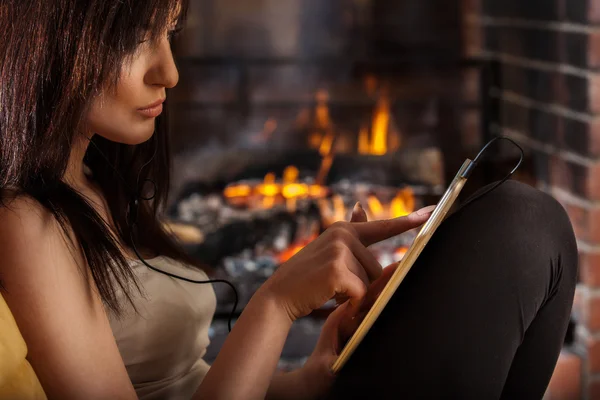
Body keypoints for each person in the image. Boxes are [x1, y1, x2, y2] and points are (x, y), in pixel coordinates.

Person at [0, 1, 577, 399]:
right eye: (134, 40)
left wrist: (304, 379)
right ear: (52, 41)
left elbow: (179, 383)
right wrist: (276, 304)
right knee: (520, 227)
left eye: (168, 33)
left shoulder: (98, 185)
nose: (169, 72)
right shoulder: (26, 223)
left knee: (529, 224)